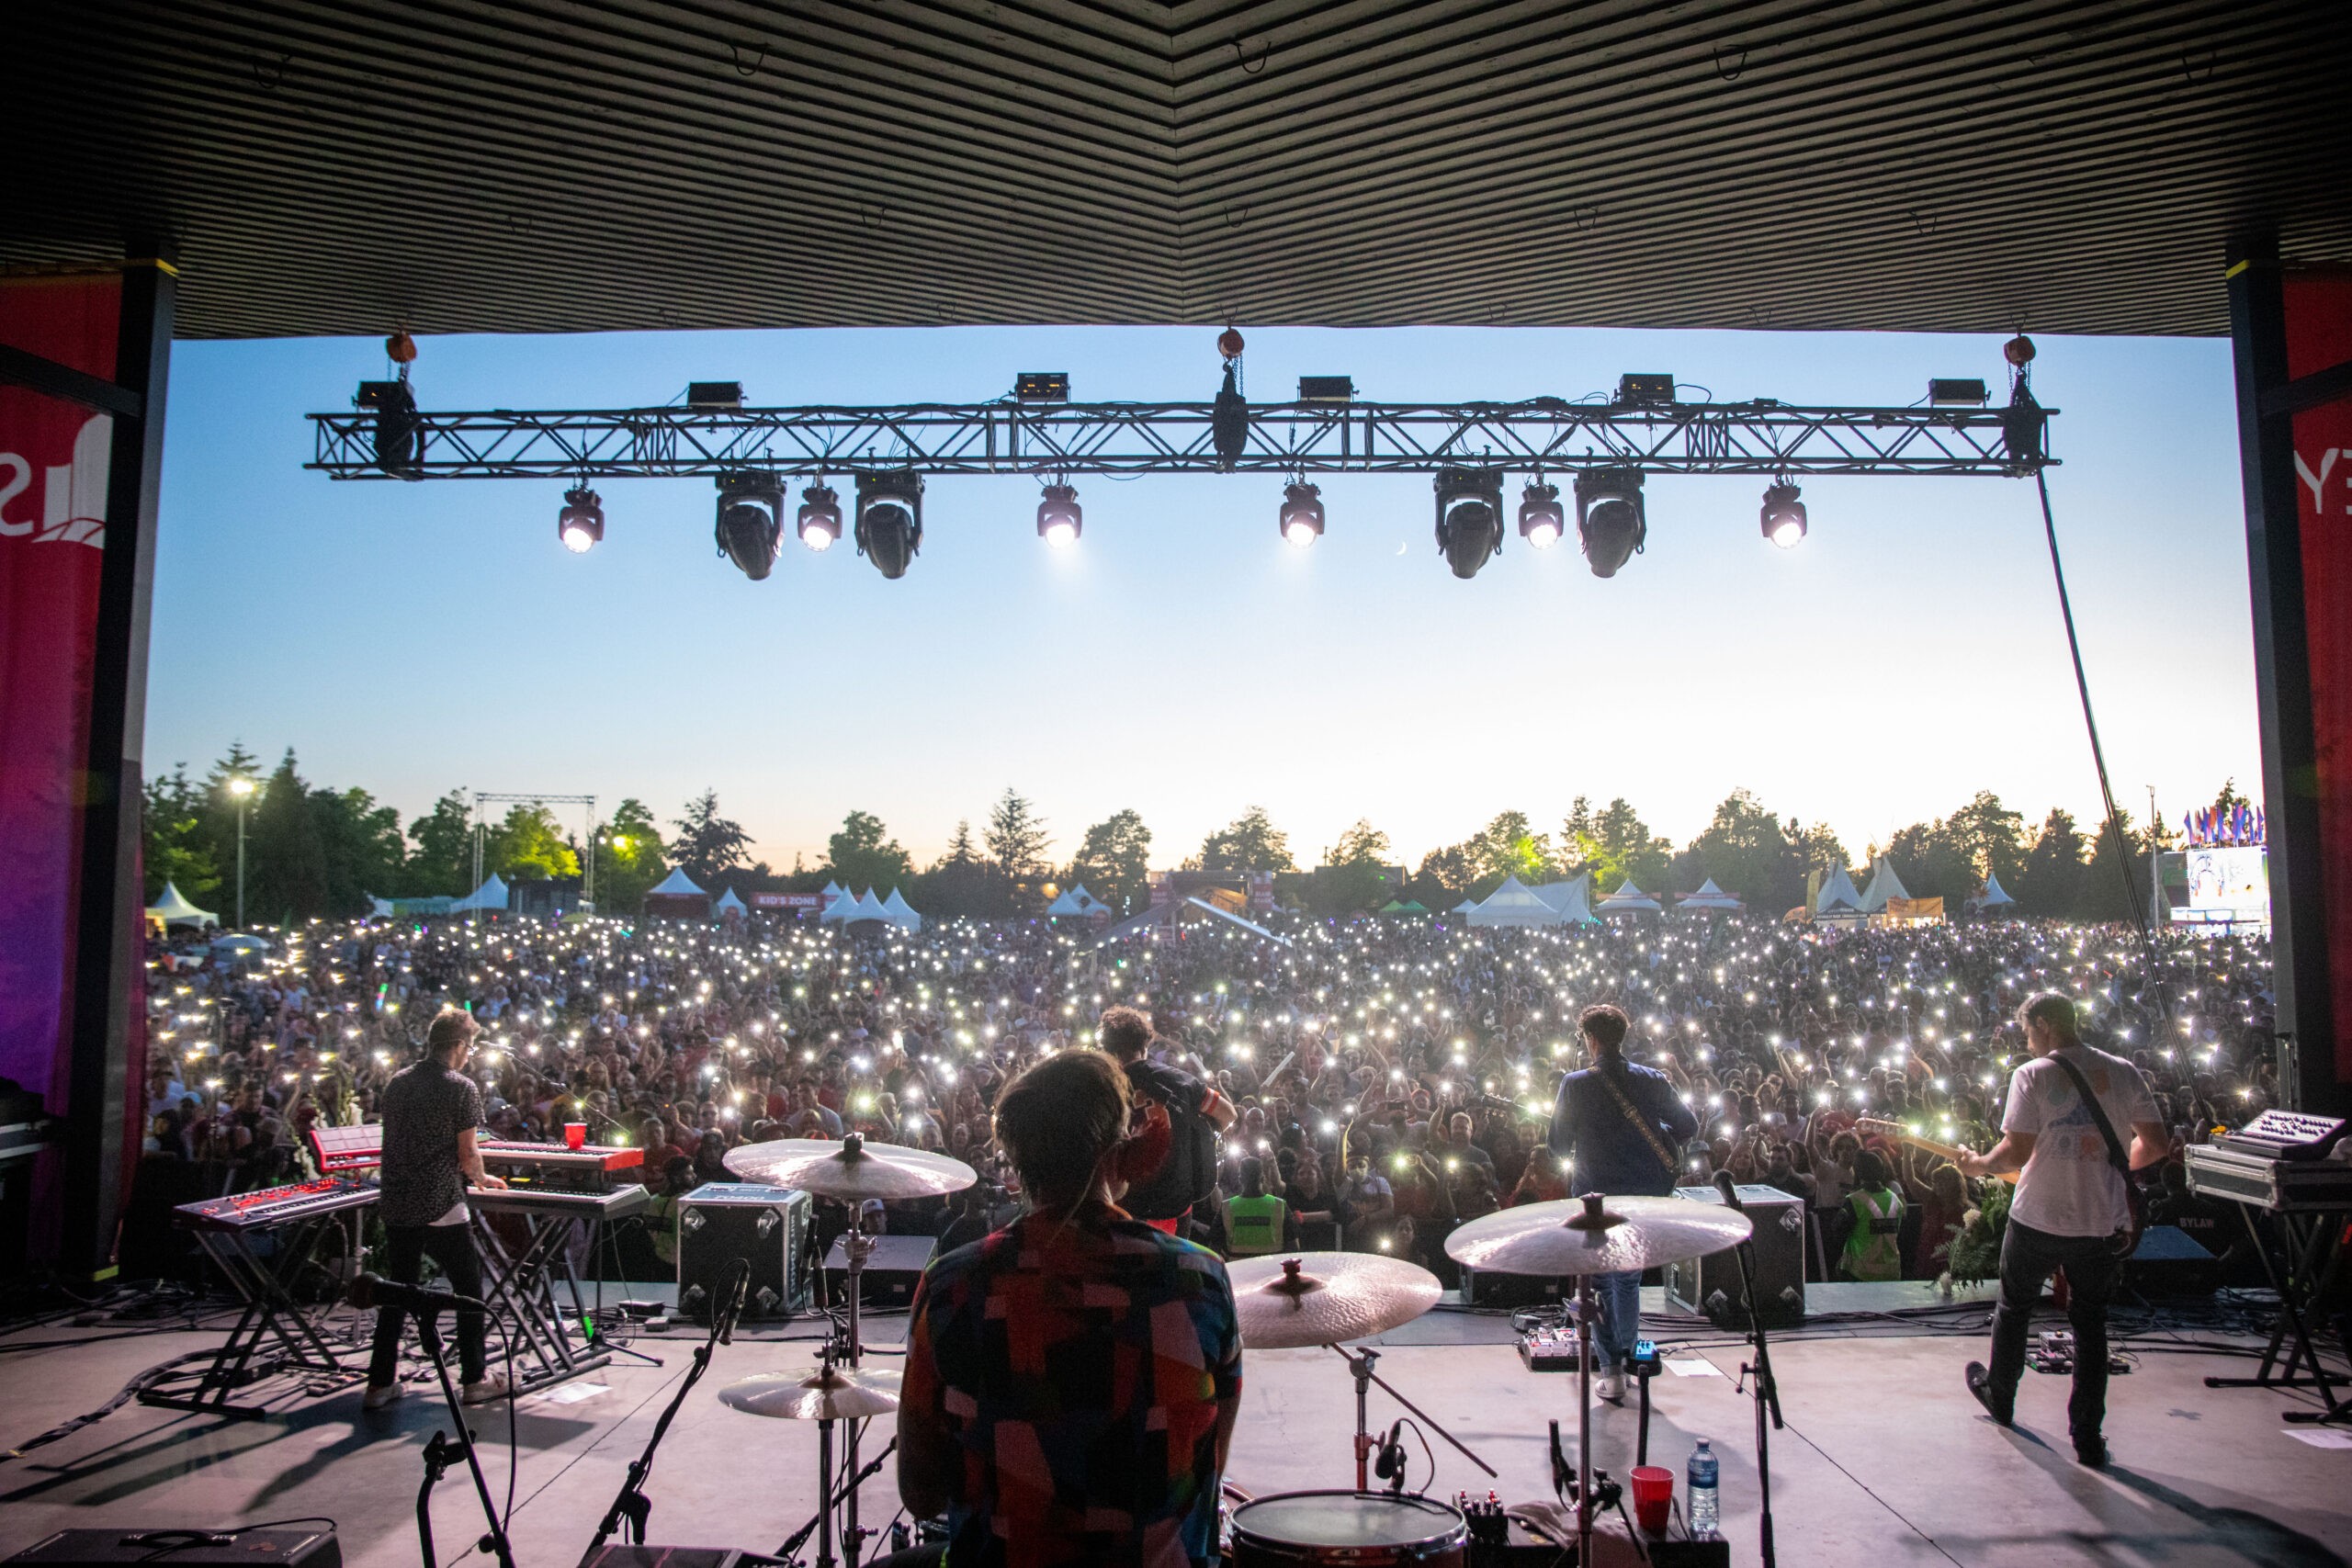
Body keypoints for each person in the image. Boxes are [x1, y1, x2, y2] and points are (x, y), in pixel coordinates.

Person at [897, 1048, 1242, 1567]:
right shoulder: (1200, 1278)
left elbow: (920, 1492)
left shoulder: (955, 1285)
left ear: (1016, 1161)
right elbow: (1210, 1462)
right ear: (1118, 1147)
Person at [1959, 991, 2165, 1468]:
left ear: (2046, 1024)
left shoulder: (2033, 1074)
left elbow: (2013, 1153)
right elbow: (2155, 1144)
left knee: (2014, 1307)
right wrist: (2110, 1168)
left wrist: (1975, 1167)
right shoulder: (2123, 1070)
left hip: (2038, 1216)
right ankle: (2088, 1436)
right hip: (2100, 1219)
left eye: (2028, 1031)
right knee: (2091, 1323)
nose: (2027, 1041)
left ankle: (2001, 1397)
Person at [1547, 1003, 1700, 1403]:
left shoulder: (1575, 1084)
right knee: (1628, 1276)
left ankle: (1611, 1369)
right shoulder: (1651, 1080)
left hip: (1595, 1194)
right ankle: (1628, 1359)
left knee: (1598, 1279)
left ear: (1590, 1039)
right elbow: (1688, 1126)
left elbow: (1557, 1146)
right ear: (1622, 1037)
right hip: (1644, 1192)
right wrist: (1650, 1131)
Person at [362, 1007, 511, 1410]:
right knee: (469, 1289)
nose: (471, 1054)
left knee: (399, 1289)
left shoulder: (399, 1082)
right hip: (440, 1200)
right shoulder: (460, 1087)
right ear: (460, 1045)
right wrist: (483, 1179)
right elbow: (468, 1153)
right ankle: (476, 1378)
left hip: (397, 1199)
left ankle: (379, 1384)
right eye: (471, 1047)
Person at [1100, 1006, 1236, 1235]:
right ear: (1145, 1043)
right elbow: (1228, 1113)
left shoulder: (1101, 1089)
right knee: (1172, 1266)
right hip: (1175, 1205)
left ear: (1106, 1048)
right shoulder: (1180, 1080)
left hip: (1125, 1209)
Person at [1839, 1149, 1905, 1281]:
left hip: (1859, 1274)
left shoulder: (1854, 1200)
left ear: (1858, 1172)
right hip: (1891, 1273)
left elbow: (1838, 1232)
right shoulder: (1895, 1200)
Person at [1225, 1157, 1288, 1257]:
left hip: (1238, 1270)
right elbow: (1294, 1247)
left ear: (1240, 1179)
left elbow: (1214, 1248)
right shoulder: (1280, 1205)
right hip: (1272, 1270)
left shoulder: (1226, 1207)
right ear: (1263, 1179)